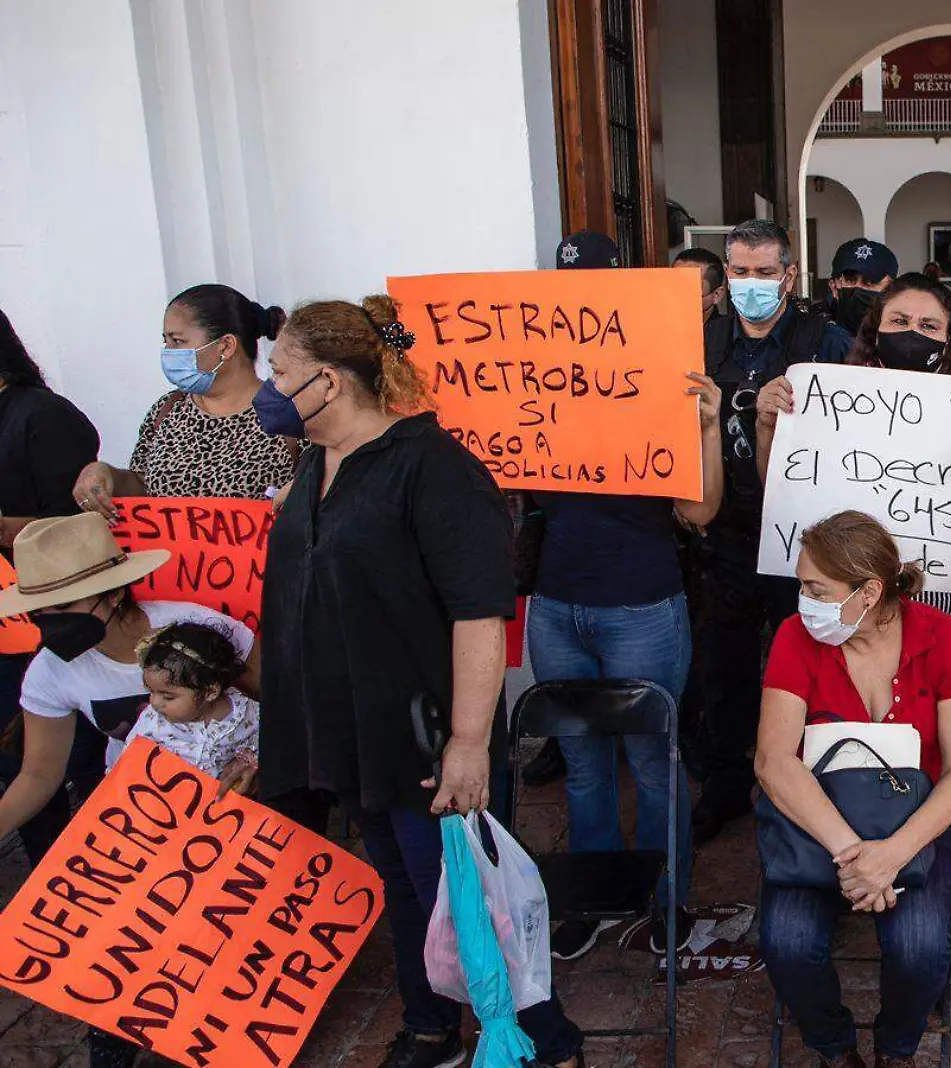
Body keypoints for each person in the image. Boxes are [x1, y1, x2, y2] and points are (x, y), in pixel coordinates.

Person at [253, 295, 587, 1068]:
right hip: (354, 728)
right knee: (402, 885)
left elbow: (479, 616)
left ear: (329, 381)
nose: (270, 387)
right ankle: (430, 1024)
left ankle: (548, 1043)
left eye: (282, 371)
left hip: (425, 731)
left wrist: (469, 743)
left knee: (467, 899)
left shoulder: (434, 470)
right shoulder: (318, 465)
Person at [525, 232, 725, 961]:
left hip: (641, 604)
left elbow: (699, 514)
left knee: (651, 760)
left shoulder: (666, 376)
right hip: (555, 603)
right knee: (581, 761)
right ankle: (595, 894)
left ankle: (667, 899)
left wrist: (705, 428)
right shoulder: (533, 374)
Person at [0, 511, 260, 1068]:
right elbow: (39, 776)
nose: (50, 623)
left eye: (63, 608)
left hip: (241, 809)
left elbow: (283, 701)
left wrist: (257, 766)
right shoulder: (51, 670)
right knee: (118, 943)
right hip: (145, 820)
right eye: (39, 610)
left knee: (222, 945)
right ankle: (114, 1042)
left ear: (112, 593)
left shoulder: (197, 629)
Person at [755, 511, 951, 1068]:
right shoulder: (795, 637)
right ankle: (835, 1048)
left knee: (921, 949)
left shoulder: (945, 637)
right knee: (785, 943)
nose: (803, 600)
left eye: (816, 588)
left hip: (914, 825)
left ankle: (896, 1049)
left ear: (870, 591)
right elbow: (774, 761)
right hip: (817, 823)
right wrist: (856, 858)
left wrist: (893, 855)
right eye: (802, 585)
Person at [692, 219, 854, 845]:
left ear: (789, 275)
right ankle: (726, 786)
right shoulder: (700, 343)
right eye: (739, 272)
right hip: (725, 536)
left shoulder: (827, 342)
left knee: (815, 664)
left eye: (764, 273)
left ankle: (819, 786)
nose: (750, 284)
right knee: (724, 669)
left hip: (807, 546)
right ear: (724, 274)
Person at [758, 272, 951, 638]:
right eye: (899, 321)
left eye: (928, 325)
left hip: (946, 618)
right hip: (849, 616)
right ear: (876, 330)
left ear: (949, 339)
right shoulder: (826, 400)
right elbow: (782, 492)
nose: (913, 332)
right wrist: (768, 428)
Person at [0, 308, 100, 860]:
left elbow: (84, 530)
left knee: (65, 770)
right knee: (18, 771)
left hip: (49, 629)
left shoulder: (42, 416)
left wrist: (7, 528)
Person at [72, 283, 298, 518]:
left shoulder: (290, 415)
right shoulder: (168, 409)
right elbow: (144, 486)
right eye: (165, 341)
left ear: (226, 346)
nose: (168, 352)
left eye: (177, 341)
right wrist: (105, 475)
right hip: (170, 555)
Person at [131, 620, 260, 782]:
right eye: (151, 691)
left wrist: (252, 762)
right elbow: (126, 765)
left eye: (168, 697)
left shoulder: (248, 713)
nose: (155, 702)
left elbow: (270, 743)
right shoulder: (151, 722)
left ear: (210, 691)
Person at [826, 238, 898, 335]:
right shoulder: (815, 337)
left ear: (891, 292)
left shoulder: (902, 339)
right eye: (850, 280)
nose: (859, 289)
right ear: (834, 288)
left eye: (871, 282)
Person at [675, 245, 730, 322]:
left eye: (691, 286)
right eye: (674, 283)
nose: (679, 293)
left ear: (717, 295)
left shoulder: (730, 332)